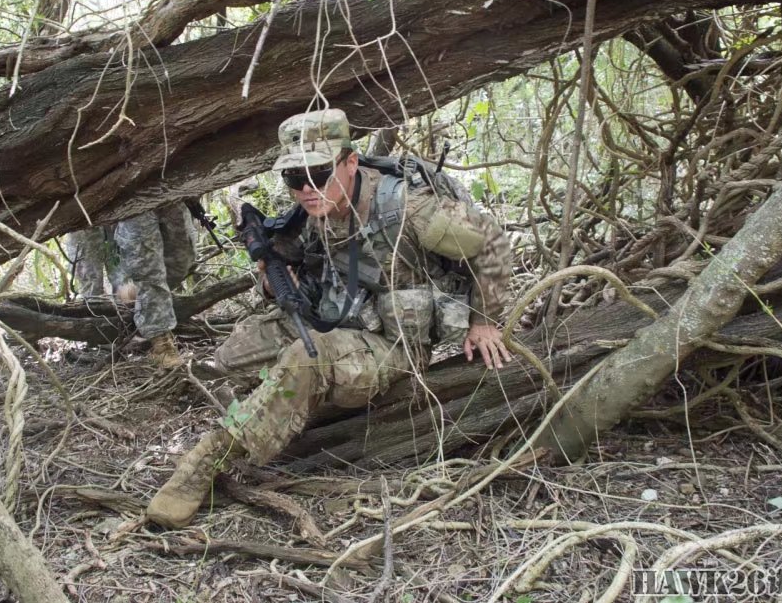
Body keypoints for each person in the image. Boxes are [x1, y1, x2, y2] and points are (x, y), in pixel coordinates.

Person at [146, 109, 513, 527]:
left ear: (350, 162)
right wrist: (272, 281)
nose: (306, 188)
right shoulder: (311, 211)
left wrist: (485, 320)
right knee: (233, 354)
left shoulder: (408, 208)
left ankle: (209, 459)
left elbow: (494, 244)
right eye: (293, 178)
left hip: (394, 346)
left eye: (318, 173)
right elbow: (291, 271)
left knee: (307, 358)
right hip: (335, 321)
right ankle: (287, 404)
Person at [113, 203, 197, 369]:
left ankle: (136, 295)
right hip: (133, 204)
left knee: (183, 261)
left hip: (171, 195)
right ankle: (162, 348)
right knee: (150, 274)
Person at [63, 226, 123, 298]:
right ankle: (93, 306)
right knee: (91, 284)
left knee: (123, 279)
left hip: (113, 224)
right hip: (82, 229)